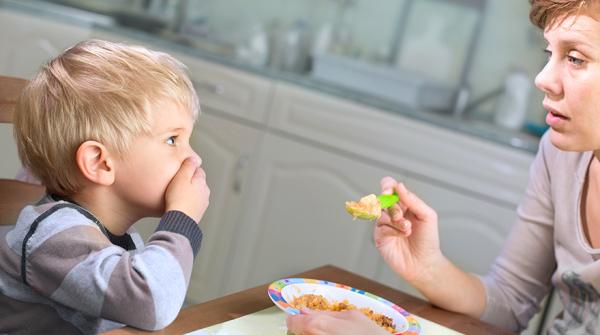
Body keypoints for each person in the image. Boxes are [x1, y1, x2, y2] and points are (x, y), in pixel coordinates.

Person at [287, 0, 600, 334]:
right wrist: (427, 267)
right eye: (549, 53)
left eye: (575, 58)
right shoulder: (559, 155)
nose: (543, 78)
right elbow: (510, 300)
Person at [0, 39, 210, 334]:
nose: (194, 158)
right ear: (100, 163)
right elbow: (153, 304)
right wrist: (182, 219)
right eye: (172, 140)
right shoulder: (53, 237)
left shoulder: (113, 235)